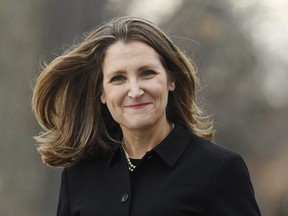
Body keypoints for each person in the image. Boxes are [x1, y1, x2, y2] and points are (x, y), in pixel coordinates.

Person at [32, 16, 261, 216]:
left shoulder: (219, 169)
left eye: (147, 73)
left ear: (171, 80)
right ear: (101, 93)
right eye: (118, 78)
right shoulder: (79, 175)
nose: (135, 91)